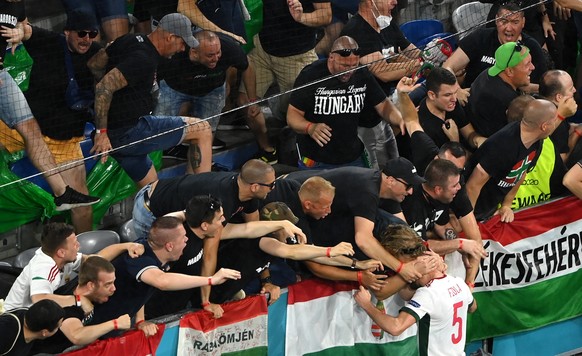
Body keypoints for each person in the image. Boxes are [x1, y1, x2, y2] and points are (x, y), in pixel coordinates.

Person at [2, 9, 103, 232]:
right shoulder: (49, 42)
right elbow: (27, 29)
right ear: (67, 31)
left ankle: (82, 256)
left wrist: (102, 130)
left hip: (63, 142)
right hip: (22, 129)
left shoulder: (98, 54)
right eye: (81, 33)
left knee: (82, 206)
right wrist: (19, 32)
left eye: (92, 34)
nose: (86, 39)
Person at [87, 13, 213, 188]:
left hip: (119, 134)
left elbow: (95, 64)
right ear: (170, 37)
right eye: (182, 43)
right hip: (131, 132)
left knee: (154, 192)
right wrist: (102, 133)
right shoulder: (143, 59)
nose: (182, 49)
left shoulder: (128, 39)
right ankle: (205, 196)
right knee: (203, 129)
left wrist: (115, 104)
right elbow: (103, 88)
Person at [284, 159, 439, 283]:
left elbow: (407, 234)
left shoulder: (388, 190)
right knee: (313, 257)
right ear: (391, 181)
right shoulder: (366, 189)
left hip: (321, 209)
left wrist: (426, 252)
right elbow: (363, 240)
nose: (411, 191)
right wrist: (400, 268)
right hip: (294, 199)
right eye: (409, 185)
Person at [87, 216, 241, 338]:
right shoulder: (139, 259)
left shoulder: (157, 253)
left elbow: (140, 287)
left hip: (108, 329)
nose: (187, 240)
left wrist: (140, 321)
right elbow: (162, 281)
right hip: (88, 329)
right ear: (169, 246)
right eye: (183, 238)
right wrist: (210, 280)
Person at [155, 30, 276, 160]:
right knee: (158, 128)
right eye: (210, 55)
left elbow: (247, 66)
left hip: (212, 91)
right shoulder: (174, 55)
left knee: (206, 131)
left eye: (218, 53)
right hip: (174, 89)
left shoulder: (229, 48)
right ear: (194, 53)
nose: (216, 58)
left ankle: (201, 168)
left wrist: (252, 100)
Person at [355, 225, 476, 355]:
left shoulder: (428, 294)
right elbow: (472, 307)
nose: (407, 276)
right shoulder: (458, 283)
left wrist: (366, 305)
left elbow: (395, 327)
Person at [287, 36, 402, 169]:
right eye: (345, 65)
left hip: (352, 156)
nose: (350, 71)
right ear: (331, 57)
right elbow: (292, 115)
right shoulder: (311, 75)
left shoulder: (361, 73)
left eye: (354, 65)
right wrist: (310, 127)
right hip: (316, 160)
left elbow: (383, 105)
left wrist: (401, 121)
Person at [339, 0, 421, 165]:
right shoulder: (355, 31)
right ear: (370, 2)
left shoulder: (387, 23)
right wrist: (417, 65)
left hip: (386, 104)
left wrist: (430, 56)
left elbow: (411, 51)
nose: (395, 2)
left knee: (394, 157)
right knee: (377, 167)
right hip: (364, 116)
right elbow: (382, 71)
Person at [4, 222, 143, 311]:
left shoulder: (64, 258)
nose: (79, 246)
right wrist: (78, 300)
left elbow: (95, 260)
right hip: (19, 319)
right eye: (75, 244)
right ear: (61, 252)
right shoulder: (43, 266)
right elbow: (39, 299)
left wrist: (127, 246)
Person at [132, 158, 275, 240]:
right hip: (150, 208)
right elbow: (213, 239)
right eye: (271, 185)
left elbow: (254, 224)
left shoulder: (248, 192)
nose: (273, 188)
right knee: (163, 260)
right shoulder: (221, 197)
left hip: (171, 198)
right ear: (255, 186)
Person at [466, 98, 560, 222]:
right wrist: (469, 222)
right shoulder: (503, 146)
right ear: (544, 126)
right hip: (471, 208)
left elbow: (522, 170)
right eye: (554, 121)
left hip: (490, 207)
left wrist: (507, 205)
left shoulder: (536, 141)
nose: (556, 124)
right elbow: (473, 185)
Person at [245, 0, 332, 120]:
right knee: (245, 103)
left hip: (295, 57)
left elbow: (325, 15)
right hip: (261, 50)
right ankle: (264, 137)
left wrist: (301, 17)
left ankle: (280, 109)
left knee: (298, 111)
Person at [30, 256, 131, 354]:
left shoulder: (83, 282)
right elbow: (76, 336)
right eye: (107, 284)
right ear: (90, 285)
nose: (113, 288)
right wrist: (115, 324)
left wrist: (126, 246)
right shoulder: (68, 309)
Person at [443, 3, 546, 93]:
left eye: (515, 22)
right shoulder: (480, 37)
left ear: (523, 23)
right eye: (504, 21)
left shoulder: (532, 47)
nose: (509, 28)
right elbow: (448, 66)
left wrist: (522, 86)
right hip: (473, 100)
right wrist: (456, 90)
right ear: (496, 20)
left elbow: (541, 87)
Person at [467, 41, 535, 138]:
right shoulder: (508, 100)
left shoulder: (488, 73)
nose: (533, 67)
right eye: (527, 64)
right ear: (509, 71)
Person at [417, 67, 485, 151]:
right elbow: (445, 163)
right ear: (432, 95)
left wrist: (477, 140)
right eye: (447, 95)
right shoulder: (424, 126)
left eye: (455, 92)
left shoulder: (451, 104)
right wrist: (455, 141)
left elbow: (469, 133)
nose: (454, 99)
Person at [0, 299, 64, 356]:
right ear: (45, 332)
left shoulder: (29, 315)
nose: (58, 329)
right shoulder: (6, 332)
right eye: (57, 327)